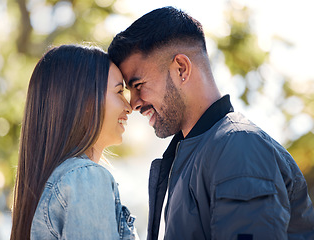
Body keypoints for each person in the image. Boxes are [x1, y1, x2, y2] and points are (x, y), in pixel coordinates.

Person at [108, 6, 314, 240]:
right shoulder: (191, 155)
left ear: (181, 69)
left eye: (138, 85)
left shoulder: (239, 148)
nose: (133, 104)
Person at [10, 44, 138, 240]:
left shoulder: (51, 181)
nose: (129, 107)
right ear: (87, 102)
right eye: (119, 92)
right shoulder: (86, 178)